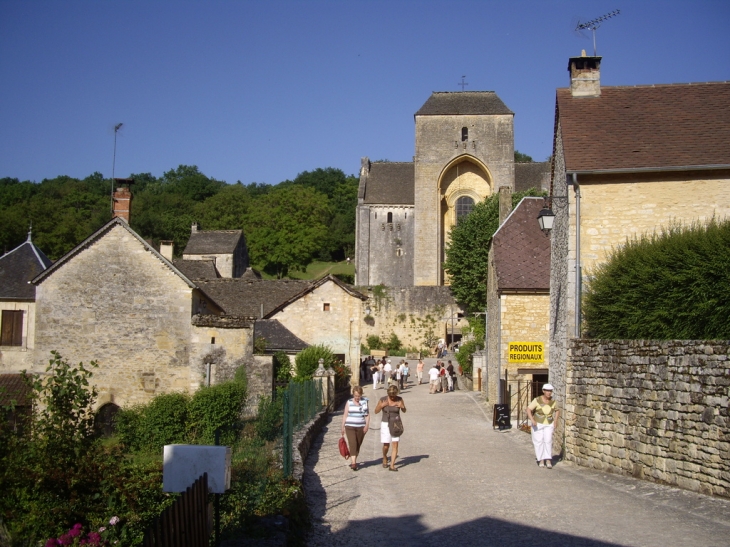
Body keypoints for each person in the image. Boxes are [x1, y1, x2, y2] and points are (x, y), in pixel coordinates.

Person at [526, 383, 560, 469]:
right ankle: (541, 459)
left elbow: (557, 410)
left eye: (550, 391)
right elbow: (528, 409)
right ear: (543, 391)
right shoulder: (537, 400)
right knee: (538, 441)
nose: (549, 393)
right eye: (547, 391)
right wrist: (532, 420)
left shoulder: (553, 402)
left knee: (548, 440)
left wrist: (555, 420)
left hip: (548, 423)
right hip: (538, 423)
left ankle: (548, 459)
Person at [375, 385, 406, 471]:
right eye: (391, 396)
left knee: (395, 444)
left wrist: (402, 406)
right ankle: (384, 457)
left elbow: (404, 410)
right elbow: (376, 411)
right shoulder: (383, 399)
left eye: (394, 396)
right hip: (385, 423)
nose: (392, 397)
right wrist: (382, 405)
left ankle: (392, 465)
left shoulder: (399, 399)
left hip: (396, 423)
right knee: (386, 445)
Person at [341, 386, 370, 471]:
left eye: (358, 396)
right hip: (349, 426)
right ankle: (354, 463)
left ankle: (353, 459)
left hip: (361, 426)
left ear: (361, 394)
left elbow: (367, 415)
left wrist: (367, 425)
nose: (357, 397)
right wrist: (342, 427)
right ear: (353, 394)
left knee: (358, 444)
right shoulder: (349, 402)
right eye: (355, 395)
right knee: (353, 443)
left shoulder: (364, 402)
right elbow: (345, 415)